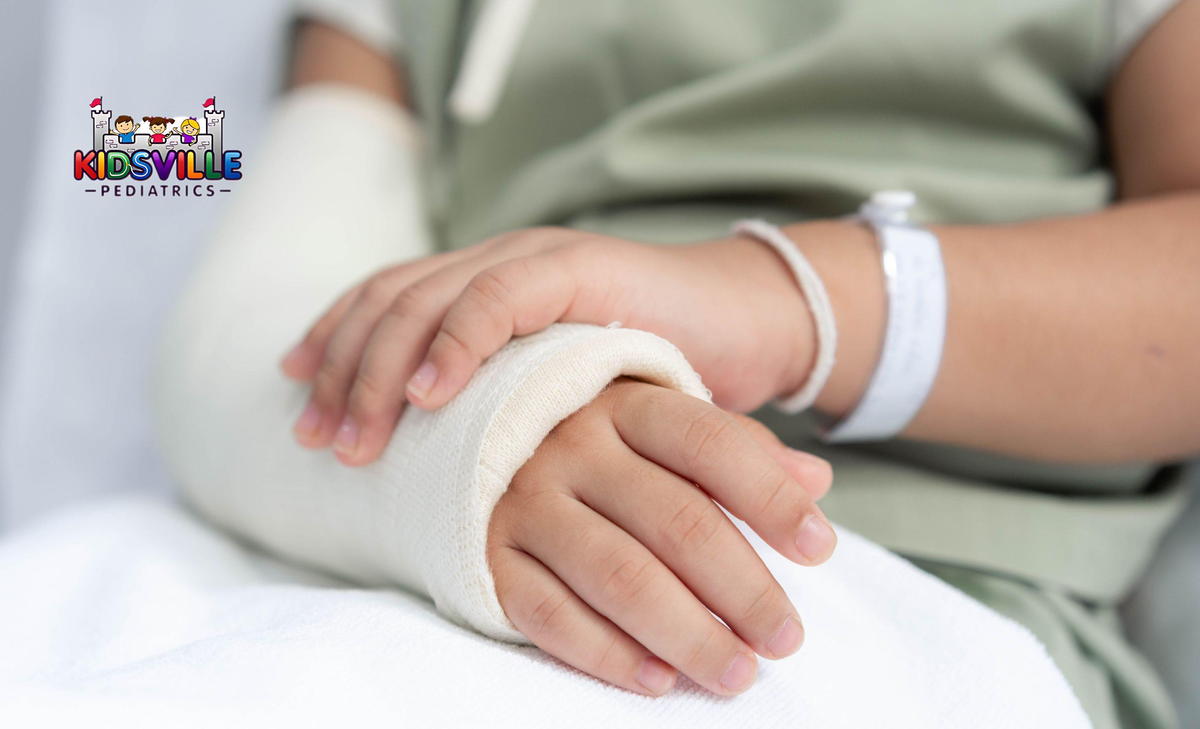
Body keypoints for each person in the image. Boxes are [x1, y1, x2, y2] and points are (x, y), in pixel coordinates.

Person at [163, 2, 1200, 728]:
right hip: (392, 565)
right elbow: (252, 312)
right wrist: (499, 427)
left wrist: (785, 303)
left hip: (907, 595)